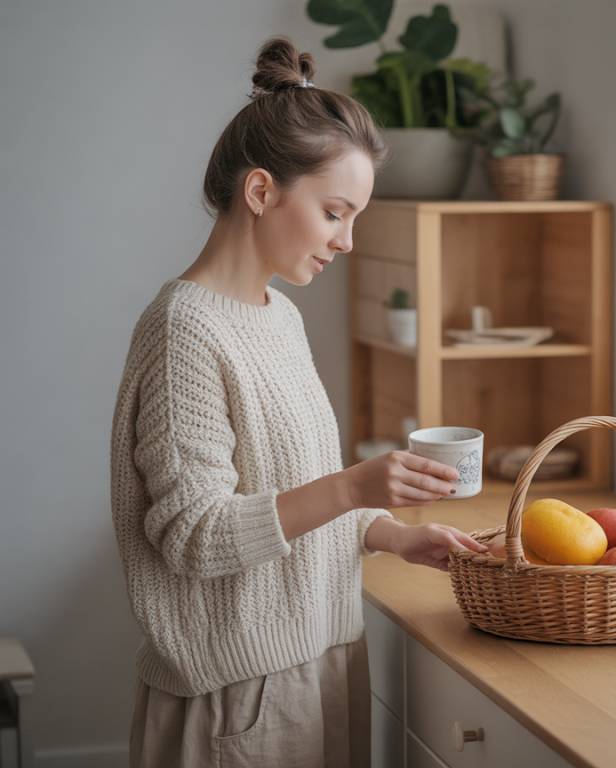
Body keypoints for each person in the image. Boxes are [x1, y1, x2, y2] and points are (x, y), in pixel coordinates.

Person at [109, 36, 488, 768]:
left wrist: (389, 533)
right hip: (240, 701)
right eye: (335, 213)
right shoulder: (183, 329)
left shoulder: (279, 317)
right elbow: (195, 535)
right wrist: (353, 486)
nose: (347, 242)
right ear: (260, 192)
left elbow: (287, 492)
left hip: (323, 662)